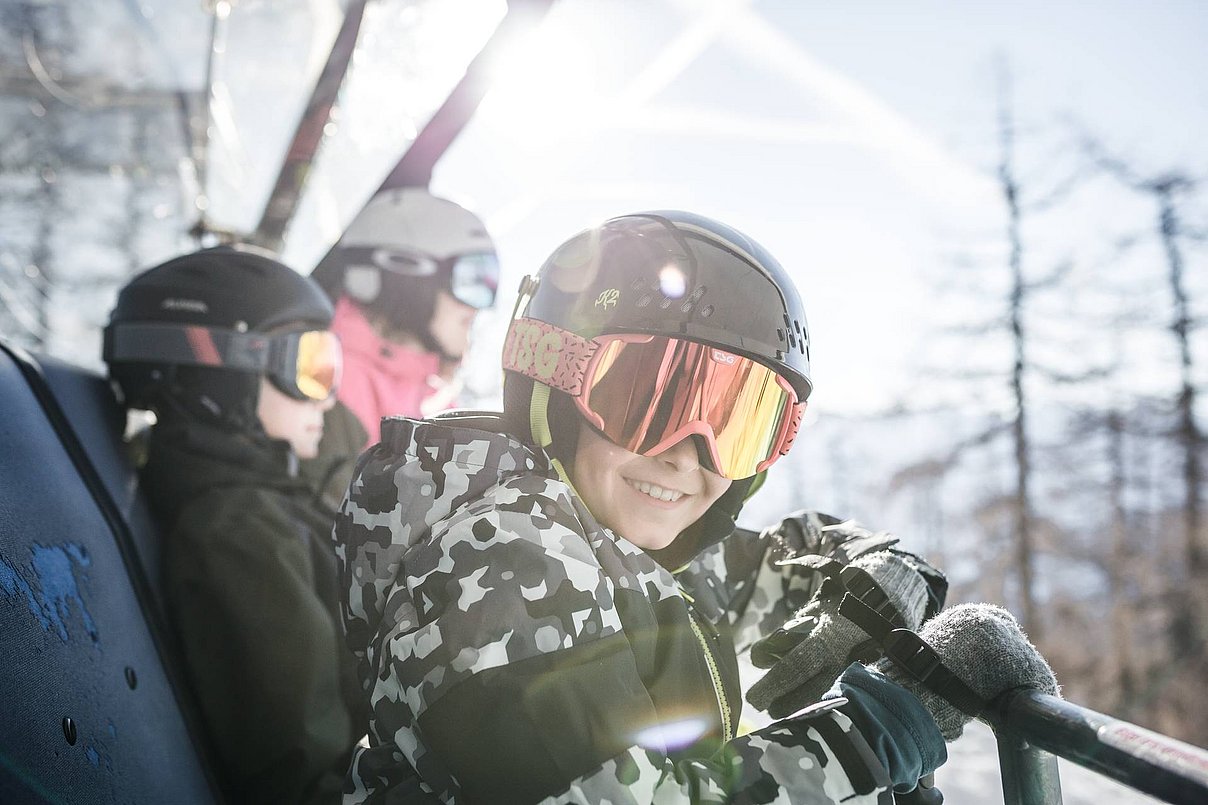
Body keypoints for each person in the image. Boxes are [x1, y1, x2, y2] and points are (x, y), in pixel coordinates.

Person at [333, 212, 1059, 803]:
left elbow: (779, 558)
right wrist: (890, 722)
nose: (688, 452)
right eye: (643, 401)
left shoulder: (623, 542)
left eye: (736, 425)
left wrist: (881, 577)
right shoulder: (499, 550)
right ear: (552, 383)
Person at [103, 245, 364, 804]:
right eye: (309, 366)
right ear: (223, 374)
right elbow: (303, 776)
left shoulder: (275, 502)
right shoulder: (238, 533)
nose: (327, 398)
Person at [300, 187, 501, 512]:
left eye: (488, 283)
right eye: (470, 279)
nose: (476, 307)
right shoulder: (327, 377)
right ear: (408, 272)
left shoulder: (433, 397)